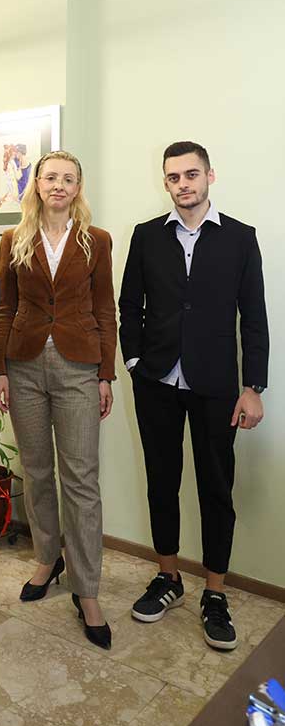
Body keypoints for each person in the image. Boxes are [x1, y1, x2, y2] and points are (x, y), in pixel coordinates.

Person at [119, 141, 269, 651]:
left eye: (191, 174)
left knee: (216, 489)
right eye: (173, 177)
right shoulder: (146, 236)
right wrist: (134, 363)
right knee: (161, 483)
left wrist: (252, 387)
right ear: (165, 182)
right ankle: (168, 578)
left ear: (209, 176)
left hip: (216, 387)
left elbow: (254, 317)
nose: (183, 184)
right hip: (156, 383)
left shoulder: (240, 238)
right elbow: (129, 306)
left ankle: (215, 593)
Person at [0, 150, 116, 650]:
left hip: (79, 365)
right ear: (36, 184)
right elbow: (5, 307)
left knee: (81, 478)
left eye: (68, 178)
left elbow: (105, 310)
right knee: (37, 469)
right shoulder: (14, 239)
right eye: (50, 177)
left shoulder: (96, 241)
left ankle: (88, 589)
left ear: (78, 187)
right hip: (23, 364)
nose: (59, 185)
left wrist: (105, 373)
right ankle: (47, 559)